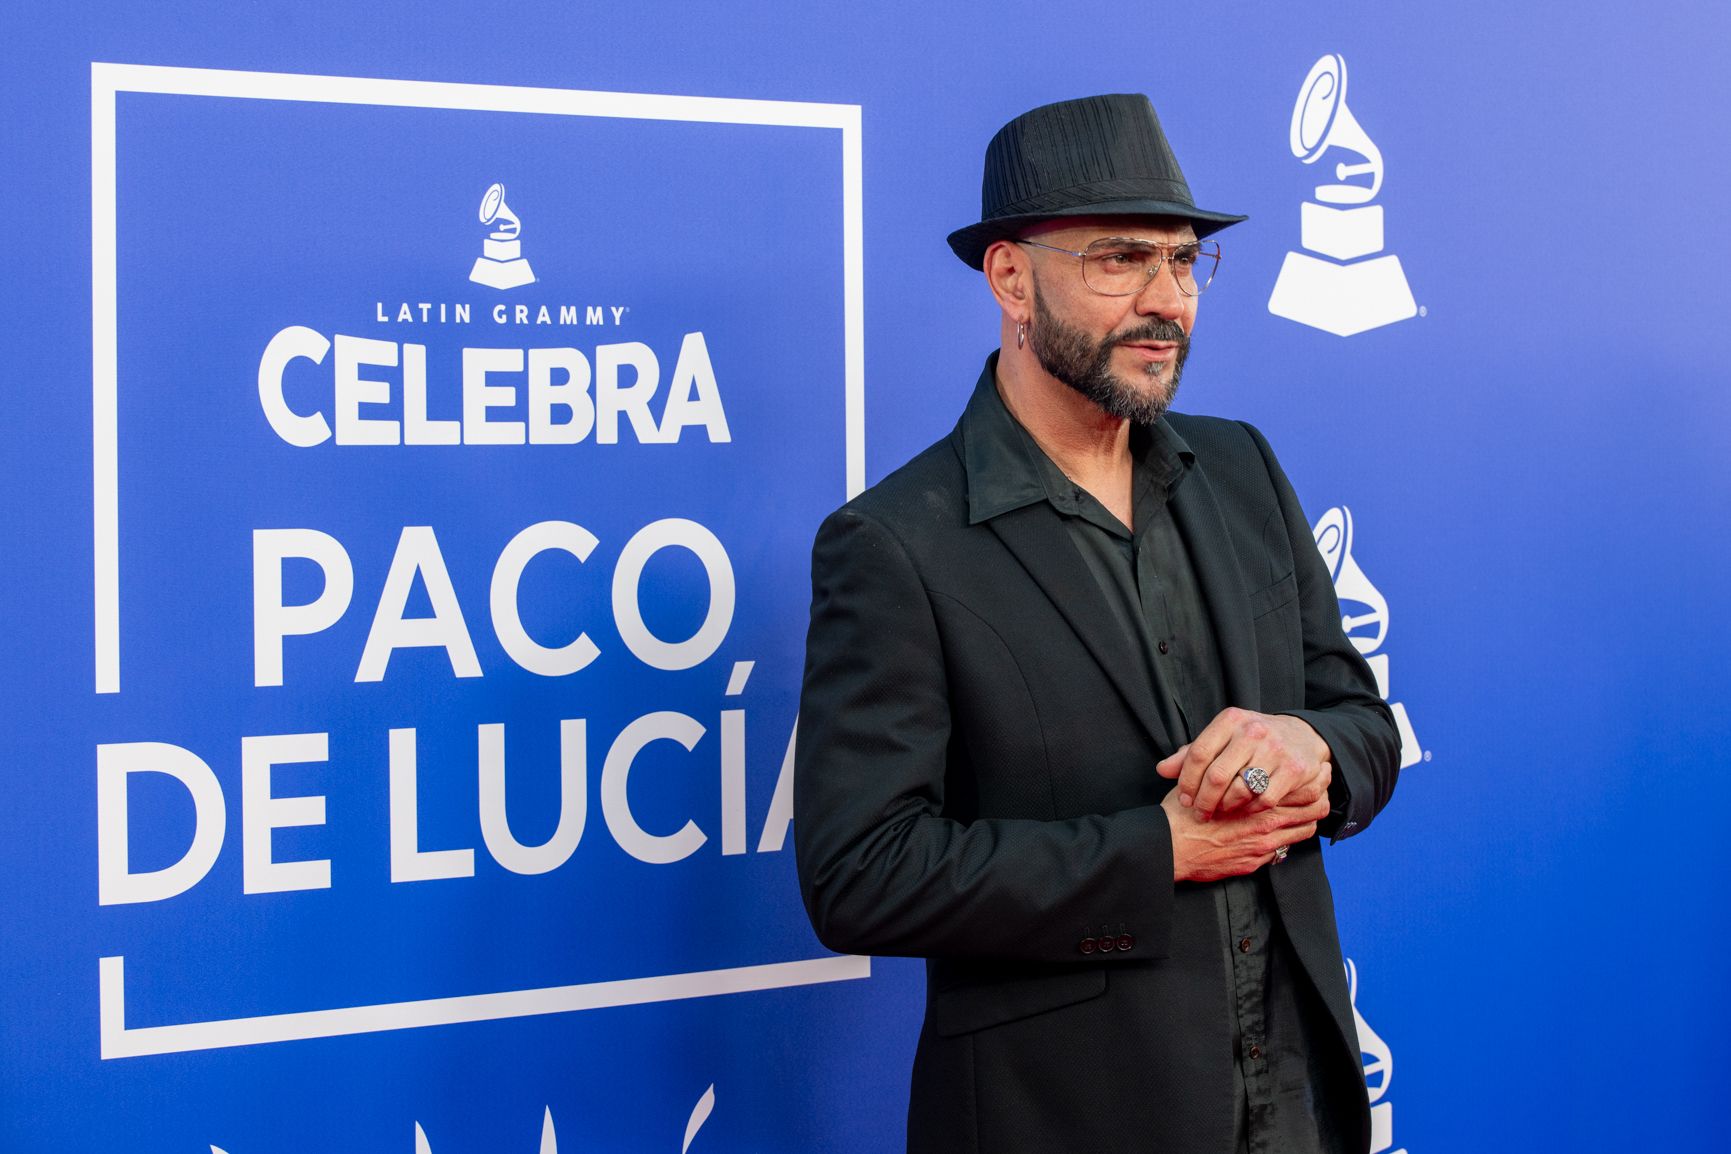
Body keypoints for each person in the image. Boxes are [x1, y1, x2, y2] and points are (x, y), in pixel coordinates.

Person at [793, 94, 1401, 1154]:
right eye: (1121, 259)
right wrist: (1155, 849)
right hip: (1064, 1115)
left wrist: (1312, 747)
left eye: (1184, 260)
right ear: (1010, 278)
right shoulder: (895, 543)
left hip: (1292, 1100)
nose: (1167, 300)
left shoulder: (1243, 469)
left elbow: (1361, 721)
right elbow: (861, 874)